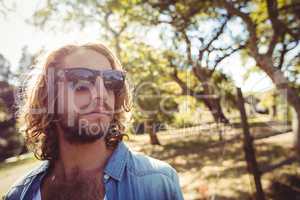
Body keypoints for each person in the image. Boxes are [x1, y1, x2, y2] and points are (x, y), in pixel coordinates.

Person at [4, 43, 184, 200]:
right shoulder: (19, 195)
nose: (101, 93)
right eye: (81, 80)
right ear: (48, 97)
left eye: (111, 80)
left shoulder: (158, 183)